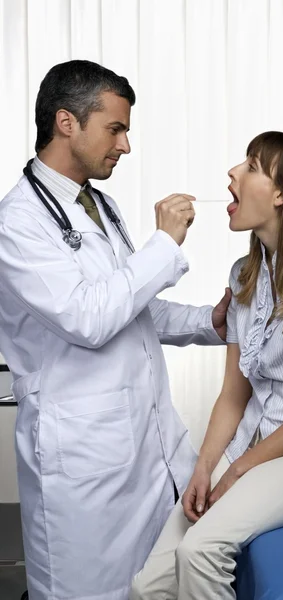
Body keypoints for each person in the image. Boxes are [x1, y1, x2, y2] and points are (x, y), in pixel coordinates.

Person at [0, 60, 231, 600]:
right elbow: (90, 319)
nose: (125, 145)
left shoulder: (98, 205)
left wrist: (208, 322)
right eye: (115, 128)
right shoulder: (17, 223)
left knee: (149, 588)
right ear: (67, 122)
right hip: (82, 459)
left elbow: (131, 305)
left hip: (141, 450)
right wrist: (165, 244)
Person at [131, 131, 283, 600]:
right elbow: (233, 394)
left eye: (251, 166)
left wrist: (238, 471)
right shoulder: (244, 276)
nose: (232, 174)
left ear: (281, 194)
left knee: (200, 552)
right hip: (257, 441)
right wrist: (204, 468)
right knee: (147, 587)